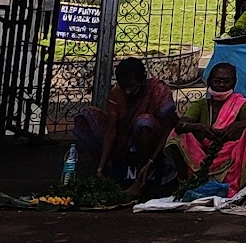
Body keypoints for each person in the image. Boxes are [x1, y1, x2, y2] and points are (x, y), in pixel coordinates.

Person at [74, 57, 177, 198]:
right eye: (123, 87)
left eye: (131, 86)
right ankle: (105, 172)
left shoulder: (157, 89)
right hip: (125, 140)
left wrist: (150, 161)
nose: (127, 91)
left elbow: (169, 127)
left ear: (142, 79)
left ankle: (140, 179)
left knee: (143, 122)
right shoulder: (117, 93)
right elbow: (111, 130)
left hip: (151, 138)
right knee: (86, 116)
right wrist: (101, 166)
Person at [164, 61, 246, 195]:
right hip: (202, 157)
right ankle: (183, 183)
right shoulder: (200, 105)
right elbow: (180, 124)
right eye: (217, 81)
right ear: (209, 81)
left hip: (229, 160)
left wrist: (239, 125)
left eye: (226, 81)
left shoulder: (239, 103)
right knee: (176, 135)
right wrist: (199, 128)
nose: (221, 85)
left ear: (234, 83)